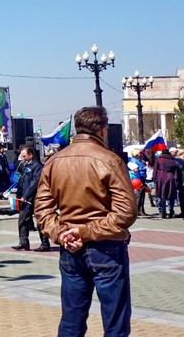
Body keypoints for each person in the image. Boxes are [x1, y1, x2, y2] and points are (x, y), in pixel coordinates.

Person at [34, 106, 136, 337]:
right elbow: (126, 212)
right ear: (102, 129)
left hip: (70, 248)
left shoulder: (54, 161)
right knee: (115, 320)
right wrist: (85, 232)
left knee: (72, 318)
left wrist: (61, 233)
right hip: (106, 248)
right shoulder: (110, 160)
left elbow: (42, 209)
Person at [11, 145, 50, 252]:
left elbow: (34, 183)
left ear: (31, 155)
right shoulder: (24, 165)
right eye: (21, 156)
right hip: (24, 198)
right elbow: (20, 178)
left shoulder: (37, 166)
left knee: (40, 222)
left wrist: (26, 196)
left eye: (24, 156)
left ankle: (45, 244)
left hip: (34, 198)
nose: (22, 158)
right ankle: (23, 242)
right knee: (22, 220)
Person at [153, 148, 180, 219]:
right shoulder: (172, 160)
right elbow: (176, 172)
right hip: (170, 177)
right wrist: (176, 180)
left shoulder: (159, 160)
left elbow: (155, 170)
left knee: (160, 194)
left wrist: (155, 179)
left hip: (161, 177)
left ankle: (162, 211)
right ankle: (171, 211)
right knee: (171, 195)